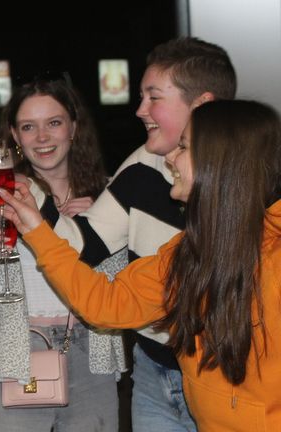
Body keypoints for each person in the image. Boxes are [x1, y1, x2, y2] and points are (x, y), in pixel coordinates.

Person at [2, 99, 281, 431]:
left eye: (184, 147)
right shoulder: (188, 252)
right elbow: (106, 303)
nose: (170, 158)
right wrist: (37, 230)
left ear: (219, 162)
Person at [0, 76, 126, 431]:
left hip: (92, 352)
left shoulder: (108, 197)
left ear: (74, 127)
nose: (42, 137)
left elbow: (127, 292)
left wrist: (95, 232)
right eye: (29, 127)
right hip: (18, 354)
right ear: (15, 136)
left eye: (54, 123)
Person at [78, 36, 236, 431]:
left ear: (202, 106)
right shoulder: (143, 163)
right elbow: (83, 245)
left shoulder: (253, 189)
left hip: (226, 378)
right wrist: (34, 207)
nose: (140, 110)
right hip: (151, 369)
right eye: (141, 97)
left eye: (154, 97)